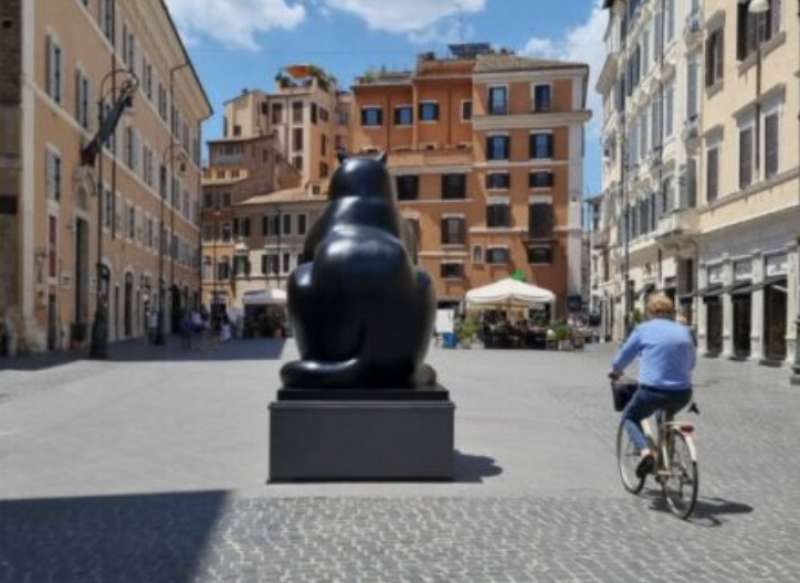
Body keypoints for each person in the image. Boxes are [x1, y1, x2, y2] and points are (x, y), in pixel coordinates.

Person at [609, 294, 695, 478]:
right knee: (665, 415)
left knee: (630, 416)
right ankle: (666, 461)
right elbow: (691, 363)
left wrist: (615, 370)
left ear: (649, 312)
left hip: (652, 391)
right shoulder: (684, 331)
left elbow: (625, 354)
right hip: (683, 393)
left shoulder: (643, 329)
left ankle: (646, 453)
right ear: (671, 312)